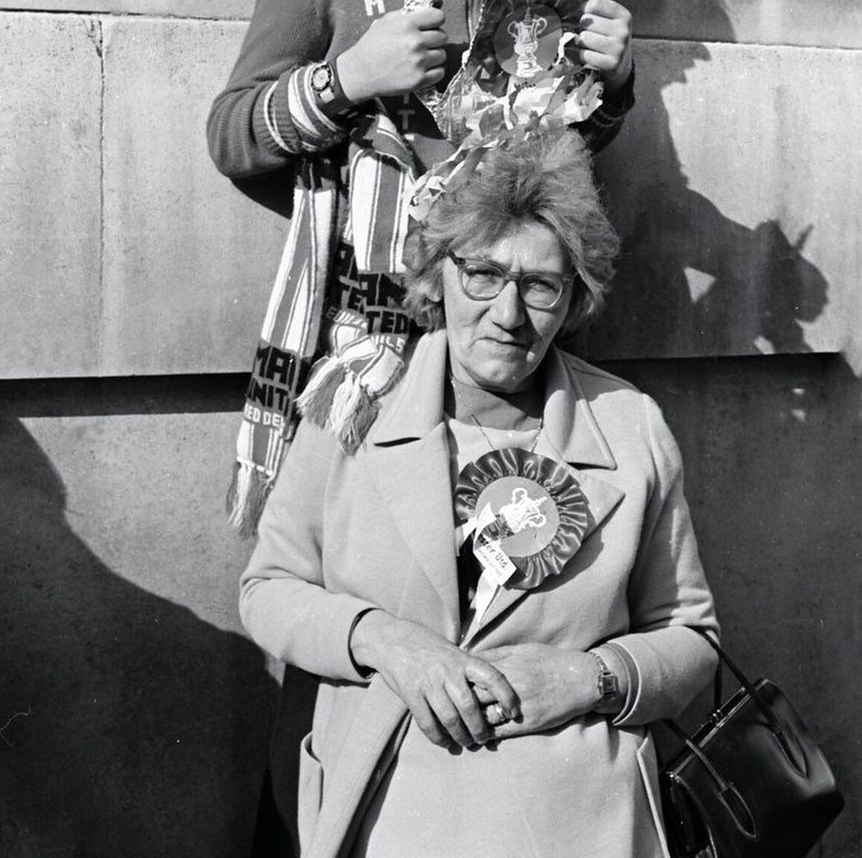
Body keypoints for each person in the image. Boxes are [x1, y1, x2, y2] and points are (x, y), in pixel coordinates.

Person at [207, 0, 635, 534]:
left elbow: (563, 153)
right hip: (369, 343)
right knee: (366, 547)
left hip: (508, 333)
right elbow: (231, 134)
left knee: (505, 545)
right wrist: (350, 79)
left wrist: (609, 85)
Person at [240, 123, 718, 857]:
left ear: (574, 300)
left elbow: (691, 637)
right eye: (484, 274)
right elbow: (269, 588)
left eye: (541, 286)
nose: (508, 313)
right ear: (437, 274)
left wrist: (594, 676)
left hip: (578, 820)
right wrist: (387, 643)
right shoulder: (353, 402)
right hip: (389, 804)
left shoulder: (630, 428)